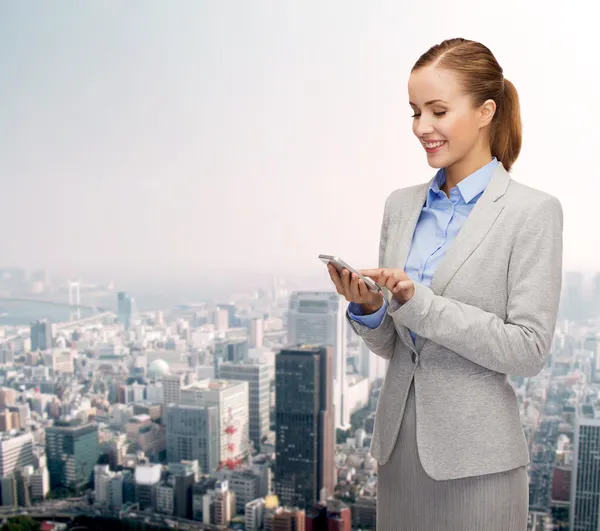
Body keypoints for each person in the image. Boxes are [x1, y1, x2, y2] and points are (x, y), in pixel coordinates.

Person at [327, 38, 563, 531]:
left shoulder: (532, 212)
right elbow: (399, 347)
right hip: (397, 454)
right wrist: (371, 309)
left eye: (437, 110)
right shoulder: (401, 205)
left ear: (485, 112)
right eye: (415, 112)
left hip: (478, 465)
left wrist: (420, 302)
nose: (421, 128)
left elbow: (529, 350)